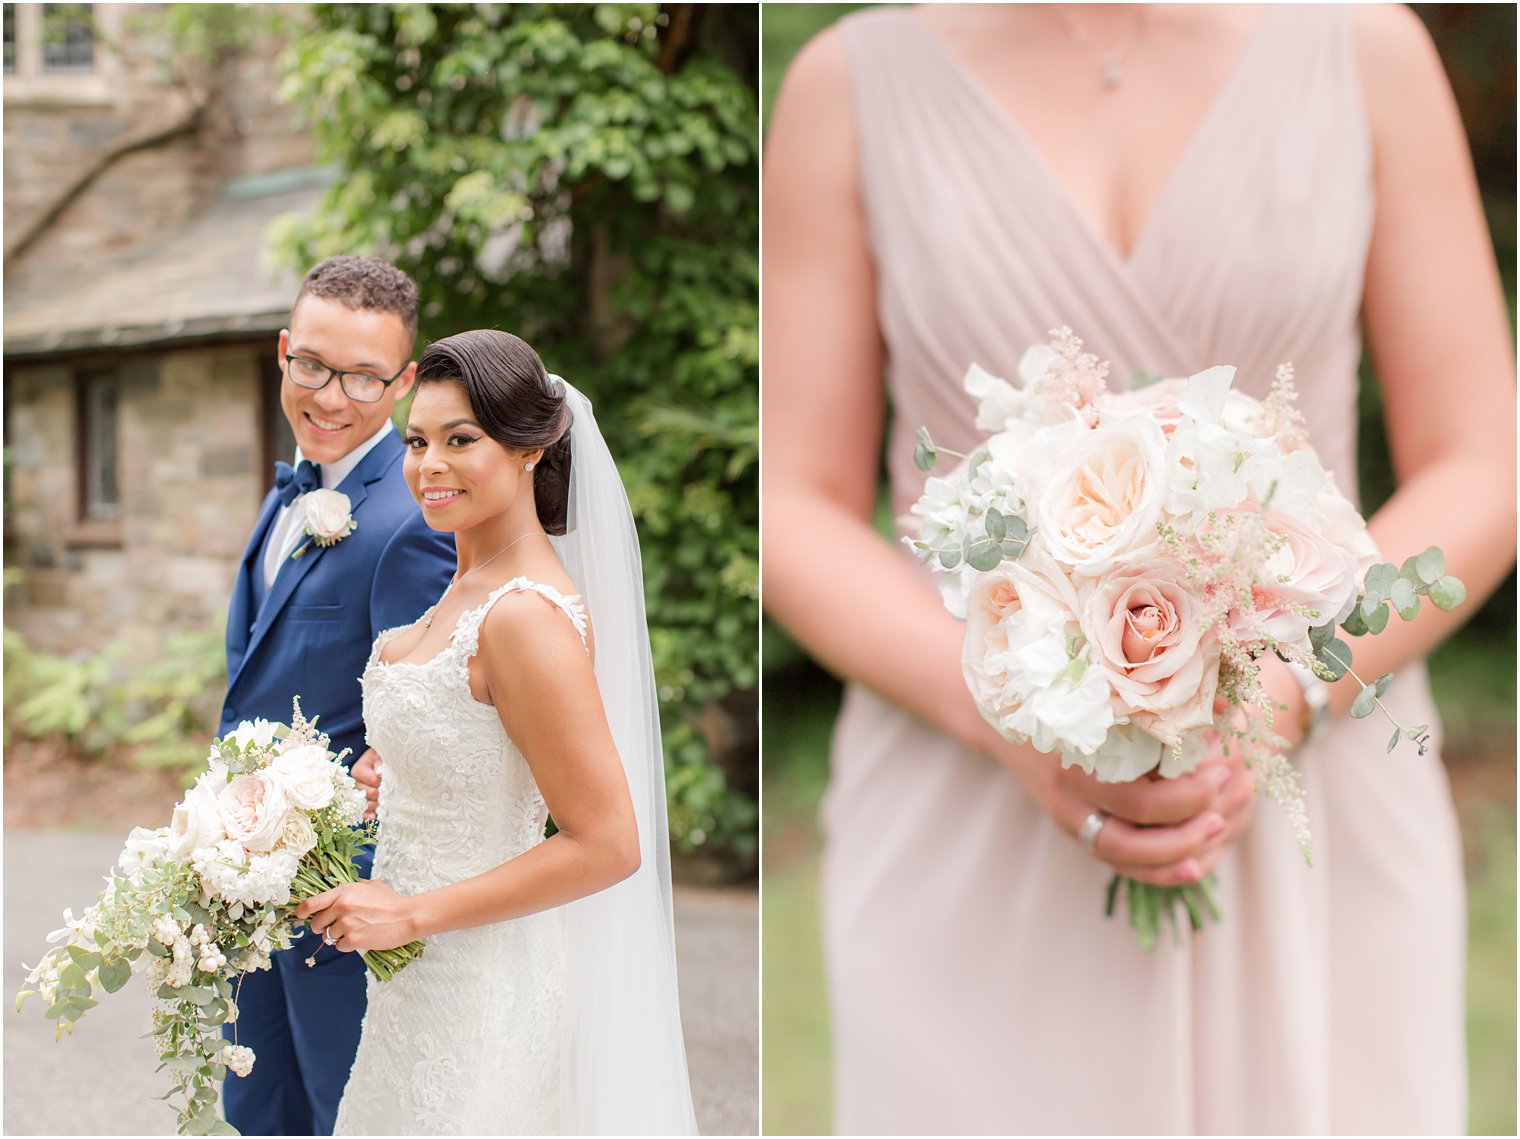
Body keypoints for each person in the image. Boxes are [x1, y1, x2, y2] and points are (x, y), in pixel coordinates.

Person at [763, 4, 1514, 1134]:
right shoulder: (846, 88)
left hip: (1313, 814)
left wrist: (1278, 691)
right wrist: (1003, 709)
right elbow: (788, 499)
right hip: (968, 812)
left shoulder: (1363, 51)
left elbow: (1481, 456)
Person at [293, 330, 697, 1135]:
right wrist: (395, 772)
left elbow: (608, 842)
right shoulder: (468, 585)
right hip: (415, 987)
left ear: (530, 449)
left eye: (460, 440)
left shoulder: (524, 616)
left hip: (480, 988)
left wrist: (408, 915)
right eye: (416, 441)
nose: (428, 465)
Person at [218, 255, 456, 1135]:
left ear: (401, 383)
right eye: (312, 365)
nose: (330, 396)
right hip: (246, 878)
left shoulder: (410, 520)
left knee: (338, 1110)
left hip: (337, 895)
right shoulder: (294, 490)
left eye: (362, 376)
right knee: (257, 1106)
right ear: (284, 352)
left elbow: (428, 713)